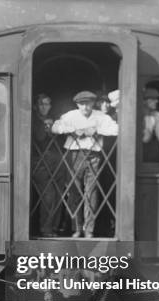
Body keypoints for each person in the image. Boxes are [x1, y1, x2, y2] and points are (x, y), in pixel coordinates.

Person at [51, 90, 119, 238]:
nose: (85, 108)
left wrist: (96, 129)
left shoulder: (101, 117)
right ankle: (76, 229)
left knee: (91, 194)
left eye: (88, 104)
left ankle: (89, 230)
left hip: (94, 156)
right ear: (77, 105)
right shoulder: (71, 116)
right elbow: (55, 127)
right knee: (74, 193)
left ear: (93, 104)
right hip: (74, 156)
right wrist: (74, 130)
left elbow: (116, 129)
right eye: (82, 104)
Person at [31, 93, 66, 237]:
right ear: (35, 106)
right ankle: (46, 229)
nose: (45, 107)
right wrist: (46, 124)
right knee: (48, 195)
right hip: (39, 161)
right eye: (41, 104)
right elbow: (39, 136)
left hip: (56, 161)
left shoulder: (55, 121)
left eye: (47, 104)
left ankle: (55, 228)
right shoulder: (33, 119)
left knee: (58, 195)